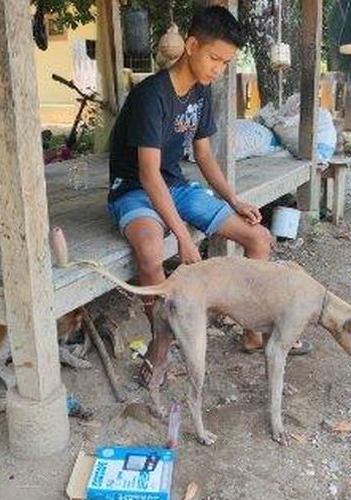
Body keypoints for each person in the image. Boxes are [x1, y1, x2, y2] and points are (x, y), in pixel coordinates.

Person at [107, 6, 310, 384]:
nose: (218, 69)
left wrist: (233, 199)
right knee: (151, 251)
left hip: (176, 186)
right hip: (134, 189)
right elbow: (148, 176)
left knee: (258, 237)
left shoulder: (201, 93)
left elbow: (203, 155)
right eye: (214, 58)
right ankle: (160, 343)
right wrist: (183, 239)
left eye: (226, 62)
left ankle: (252, 331)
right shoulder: (151, 96)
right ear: (190, 45)